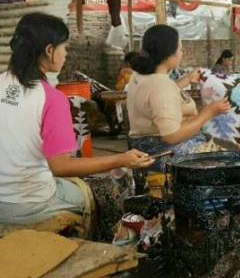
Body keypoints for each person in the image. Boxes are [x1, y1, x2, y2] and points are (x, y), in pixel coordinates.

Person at [0, 13, 154, 226]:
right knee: (98, 196)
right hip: (29, 203)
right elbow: (61, 166)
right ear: (49, 51)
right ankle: (103, 243)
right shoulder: (51, 99)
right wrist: (122, 159)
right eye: (64, 48)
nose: (66, 54)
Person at [127, 25, 230, 171]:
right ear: (169, 54)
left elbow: (156, 97)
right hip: (162, 152)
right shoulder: (161, 85)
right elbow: (172, 136)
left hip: (141, 144)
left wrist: (187, 80)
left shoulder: (138, 76)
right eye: (180, 49)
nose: (182, 52)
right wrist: (209, 112)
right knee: (234, 163)